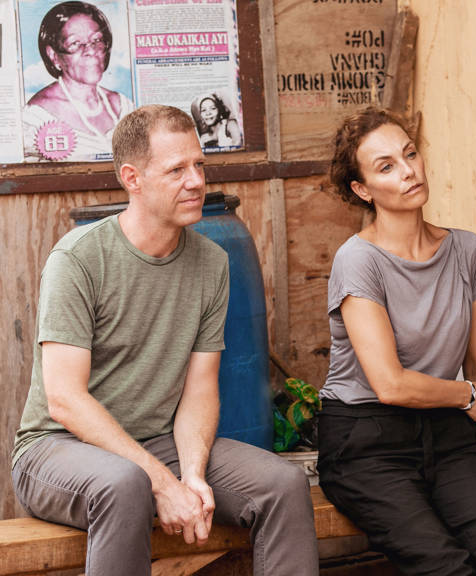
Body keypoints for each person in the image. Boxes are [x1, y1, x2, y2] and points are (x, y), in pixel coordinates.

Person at [11, 105, 319, 576]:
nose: (196, 180)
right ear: (132, 178)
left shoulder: (212, 263)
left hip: (157, 444)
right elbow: (65, 401)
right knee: (124, 484)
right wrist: (162, 483)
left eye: (199, 164)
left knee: (282, 484)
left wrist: (192, 475)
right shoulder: (77, 260)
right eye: (176, 169)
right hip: (56, 449)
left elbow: (199, 389)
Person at [316, 106, 476, 575]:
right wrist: (470, 396)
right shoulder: (358, 261)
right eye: (386, 166)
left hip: (448, 434)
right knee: (446, 566)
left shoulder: (469, 251)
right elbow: (390, 385)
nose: (409, 171)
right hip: (366, 441)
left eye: (410, 154)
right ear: (362, 189)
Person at [23, 1, 133, 162]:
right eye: (75, 43)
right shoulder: (35, 117)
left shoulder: (123, 106)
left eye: (96, 40)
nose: (90, 50)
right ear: (53, 55)